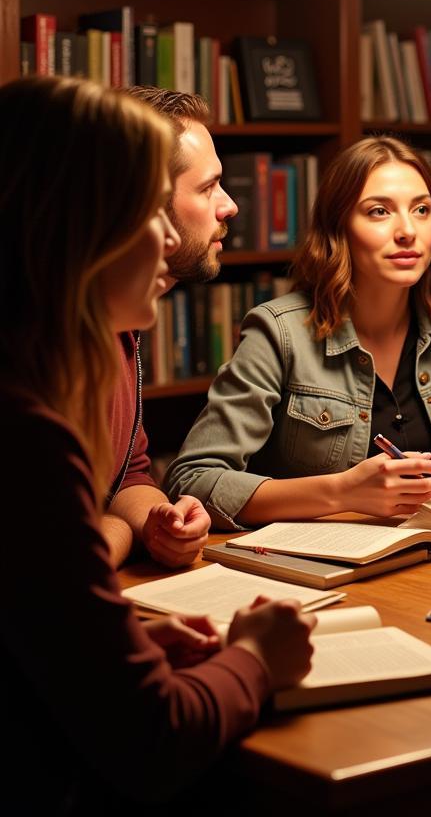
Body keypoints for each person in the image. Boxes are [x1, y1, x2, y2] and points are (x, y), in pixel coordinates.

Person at [0, 76, 314, 809]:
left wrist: (124, 653)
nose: (172, 239)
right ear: (83, 227)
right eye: (149, 211)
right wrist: (256, 659)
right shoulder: (25, 437)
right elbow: (152, 739)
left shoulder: (77, 356)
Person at [165, 134, 431, 529]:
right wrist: (341, 493)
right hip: (318, 567)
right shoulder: (279, 333)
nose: (408, 230)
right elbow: (193, 481)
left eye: (422, 209)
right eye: (378, 212)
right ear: (339, 228)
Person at [101, 87, 239, 569]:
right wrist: (118, 529)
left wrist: (156, 522)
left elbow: (129, 475)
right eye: (207, 187)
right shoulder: (40, 344)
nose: (229, 207)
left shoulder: (123, 327)